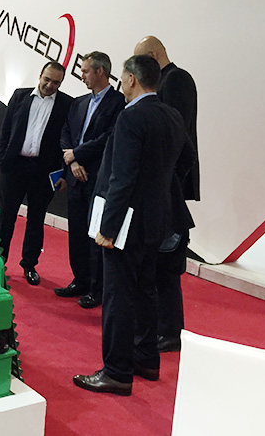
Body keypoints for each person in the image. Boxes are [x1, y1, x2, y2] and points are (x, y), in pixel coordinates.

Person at [73, 55, 195, 396]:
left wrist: (108, 229)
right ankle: (146, 360)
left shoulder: (131, 116)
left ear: (131, 79)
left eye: (123, 77)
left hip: (125, 224)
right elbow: (187, 159)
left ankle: (116, 371)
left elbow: (122, 177)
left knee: (118, 297)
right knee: (146, 291)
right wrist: (158, 189)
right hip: (156, 220)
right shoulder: (171, 115)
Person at [134, 35, 199, 352]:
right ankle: (163, 327)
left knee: (166, 266)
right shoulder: (169, 80)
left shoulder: (177, 79)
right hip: (162, 187)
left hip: (167, 189)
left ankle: (170, 330)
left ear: (153, 55)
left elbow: (177, 137)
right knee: (158, 264)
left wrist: (166, 181)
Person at [54, 52, 125, 307]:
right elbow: (66, 133)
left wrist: (78, 154)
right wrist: (72, 162)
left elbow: (109, 138)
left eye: (85, 71)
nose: (81, 75)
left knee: (95, 235)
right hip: (75, 177)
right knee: (76, 233)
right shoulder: (79, 102)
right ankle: (80, 280)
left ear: (100, 71)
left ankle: (97, 288)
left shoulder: (119, 103)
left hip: (98, 179)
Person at [0, 61, 71, 286]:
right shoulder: (20, 96)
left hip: (44, 171)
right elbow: (5, 129)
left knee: (36, 220)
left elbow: (68, 140)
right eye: (47, 79)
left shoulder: (66, 104)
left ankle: (29, 265)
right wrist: (3, 160)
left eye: (56, 82)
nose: (50, 85)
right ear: (40, 75)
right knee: (6, 217)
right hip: (14, 167)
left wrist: (63, 173)